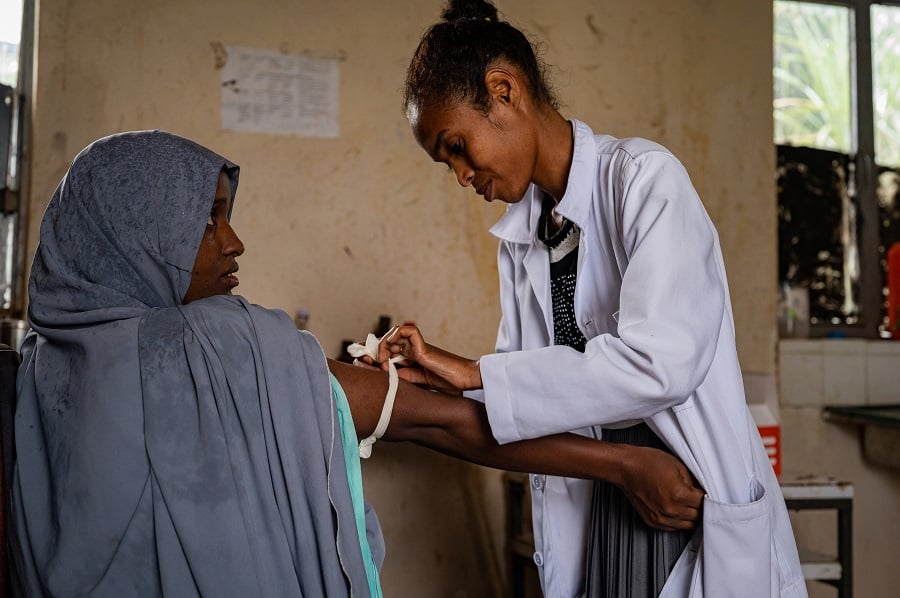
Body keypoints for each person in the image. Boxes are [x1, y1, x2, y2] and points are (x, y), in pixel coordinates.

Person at [10, 130, 703, 597]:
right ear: (135, 236)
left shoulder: (31, 376)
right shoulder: (231, 352)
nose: (234, 241)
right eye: (208, 220)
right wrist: (625, 465)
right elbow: (447, 426)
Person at [375, 1, 808, 596]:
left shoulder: (644, 182)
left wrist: (477, 374)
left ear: (504, 91)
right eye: (443, 162)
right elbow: (523, 402)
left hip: (682, 503)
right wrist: (438, 377)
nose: (460, 176)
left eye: (457, 145)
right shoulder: (523, 241)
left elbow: (660, 365)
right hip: (606, 504)